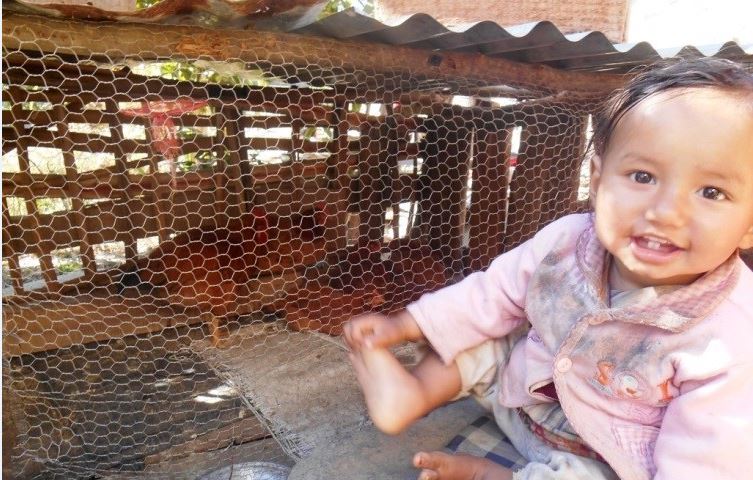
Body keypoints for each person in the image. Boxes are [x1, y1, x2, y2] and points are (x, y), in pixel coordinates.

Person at [344, 57, 753, 480]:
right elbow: (492, 291)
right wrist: (405, 325)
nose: (666, 212)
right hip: (524, 399)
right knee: (486, 327)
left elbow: (705, 464)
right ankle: (414, 394)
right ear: (596, 181)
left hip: (600, 456)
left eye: (711, 192)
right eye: (643, 176)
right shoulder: (566, 240)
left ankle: (496, 474)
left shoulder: (732, 340)